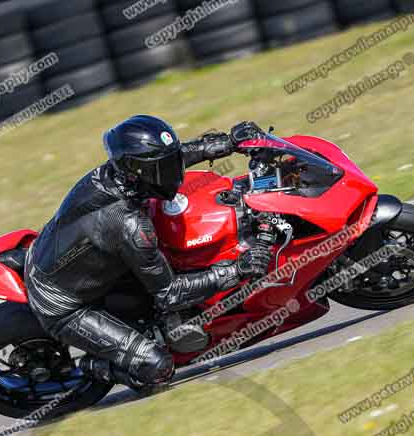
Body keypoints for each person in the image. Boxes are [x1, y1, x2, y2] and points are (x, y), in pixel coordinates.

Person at [25, 115, 273, 391]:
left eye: (171, 163)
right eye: (162, 169)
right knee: (158, 369)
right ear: (136, 172)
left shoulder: (116, 173)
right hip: (64, 305)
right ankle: (88, 368)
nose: (173, 174)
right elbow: (170, 295)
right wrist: (237, 269)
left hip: (74, 261)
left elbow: (162, 160)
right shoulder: (129, 224)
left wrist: (226, 143)